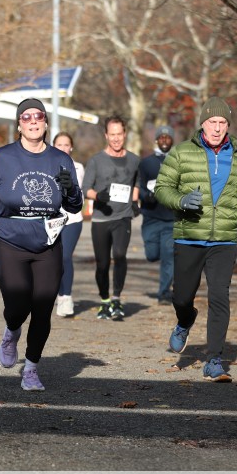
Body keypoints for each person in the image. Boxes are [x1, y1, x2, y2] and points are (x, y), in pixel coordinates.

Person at [0, 98, 83, 391]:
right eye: (26, 117)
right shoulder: (1, 157)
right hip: (10, 239)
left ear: (46, 123)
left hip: (47, 241)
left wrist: (71, 190)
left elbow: (74, 206)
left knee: (43, 306)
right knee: (17, 303)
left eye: (39, 116)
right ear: (19, 125)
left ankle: (32, 368)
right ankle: (12, 331)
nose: (33, 121)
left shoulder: (61, 159)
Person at [155, 97, 237, 383]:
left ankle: (214, 360)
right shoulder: (181, 152)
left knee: (219, 296)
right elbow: (162, 187)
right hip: (189, 235)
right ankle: (185, 320)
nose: (217, 128)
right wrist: (180, 200)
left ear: (228, 124)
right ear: (202, 123)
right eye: (212, 122)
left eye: (222, 122)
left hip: (223, 240)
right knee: (182, 297)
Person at [81, 115, 140, 321]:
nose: (116, 138)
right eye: (112, 134)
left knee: (120, 255)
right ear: (106, 135)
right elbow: (85, 188)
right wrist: (98, 196)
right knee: (103, 263)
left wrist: (135, 201)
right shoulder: (96, 160)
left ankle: (116, 298)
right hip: (101, 218)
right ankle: (104, 300)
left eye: (119, 134)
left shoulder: (134, 160)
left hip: (123, 216)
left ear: (125, 134)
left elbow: (136, 182)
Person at [138, 125, 176, 305]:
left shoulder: (178, 162)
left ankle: (164, 293)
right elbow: (140, 186)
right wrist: (147, 196)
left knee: (169, 254)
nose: (164, 140)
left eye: (168, 137)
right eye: (161, 137)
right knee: (152, 255)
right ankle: (159, 252)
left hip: (171, 218)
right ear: (157, 140)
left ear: (172, 141)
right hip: (151, 217)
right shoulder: (146, 163)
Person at [52, 132, 85, 317]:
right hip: (52, 220)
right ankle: (57, 294)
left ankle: (66, 297)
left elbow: (80, 193)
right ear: (53, 146)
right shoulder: (47, 165)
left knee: (65, 256)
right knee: (53, 259)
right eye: (59, 145)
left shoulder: (78, 167)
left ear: (71, 147)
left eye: (66, 145)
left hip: (72, 219)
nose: (63, 148)